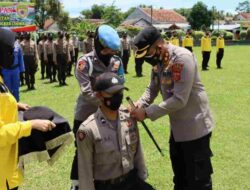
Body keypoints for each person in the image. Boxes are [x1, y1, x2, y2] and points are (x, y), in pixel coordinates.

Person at [131, 26, 215, 190]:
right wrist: (138, 104)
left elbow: (179, 99)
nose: (147, 58)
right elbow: (152, 89)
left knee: (198, 183)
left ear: (158, 46)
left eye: (147, 53)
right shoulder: (159, 61)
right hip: (177, 131)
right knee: (180, 180)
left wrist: (146, 113)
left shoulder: (181, 58)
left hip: (195, 130)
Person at [77, 72, 154, 190]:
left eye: (120, 92)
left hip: (131, 181)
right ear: (99, 95)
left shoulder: (129, 118)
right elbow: (85, 171)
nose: (118, 96)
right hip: (107, 186)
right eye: (112, 93)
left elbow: (138, 152)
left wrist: (142, 177)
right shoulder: (88, 130)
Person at [0, 28, 56, 190]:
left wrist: (14, 105)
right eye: (9, 50)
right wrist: (31, 125)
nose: (13, 53)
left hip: (7, 165)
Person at [70, 24, 125, 190]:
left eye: (113, 51)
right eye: (107, 50)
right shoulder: (84, 62)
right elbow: (87, 91)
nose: (110, 54)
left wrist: (114, 107)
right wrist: (107, 105)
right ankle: (76, 184)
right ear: (98, 45)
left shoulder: (116, 62)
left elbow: (120, 85)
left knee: (105, 151)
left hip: (109, 117)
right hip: (86, 115)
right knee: (82, 154)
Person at [1, 33, 25, 101]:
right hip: (6, 70)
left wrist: (22, 70)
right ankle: (9, 103)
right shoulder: (3, 45)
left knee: (16, 88)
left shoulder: (18, 45)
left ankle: (17, 103)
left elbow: (20, 58)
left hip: (15, 70)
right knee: (8, 89)